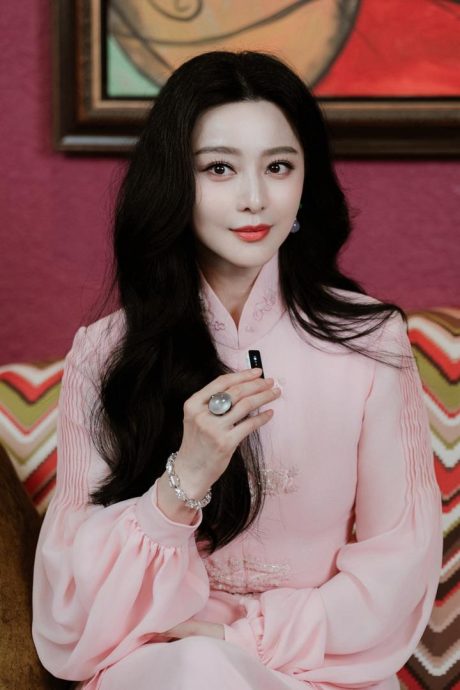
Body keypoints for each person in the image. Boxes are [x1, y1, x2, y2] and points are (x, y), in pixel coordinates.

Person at [32, 51, 443, 690]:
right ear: (176, 181)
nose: (254, 199)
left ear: (306, 181)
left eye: (278, 166)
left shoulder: (370, 342)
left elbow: (401, 561)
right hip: (162, 669)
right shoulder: (106, 352)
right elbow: (71, 609)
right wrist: (185, 478)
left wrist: (244, 638)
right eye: (219, 168)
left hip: (320, 669)